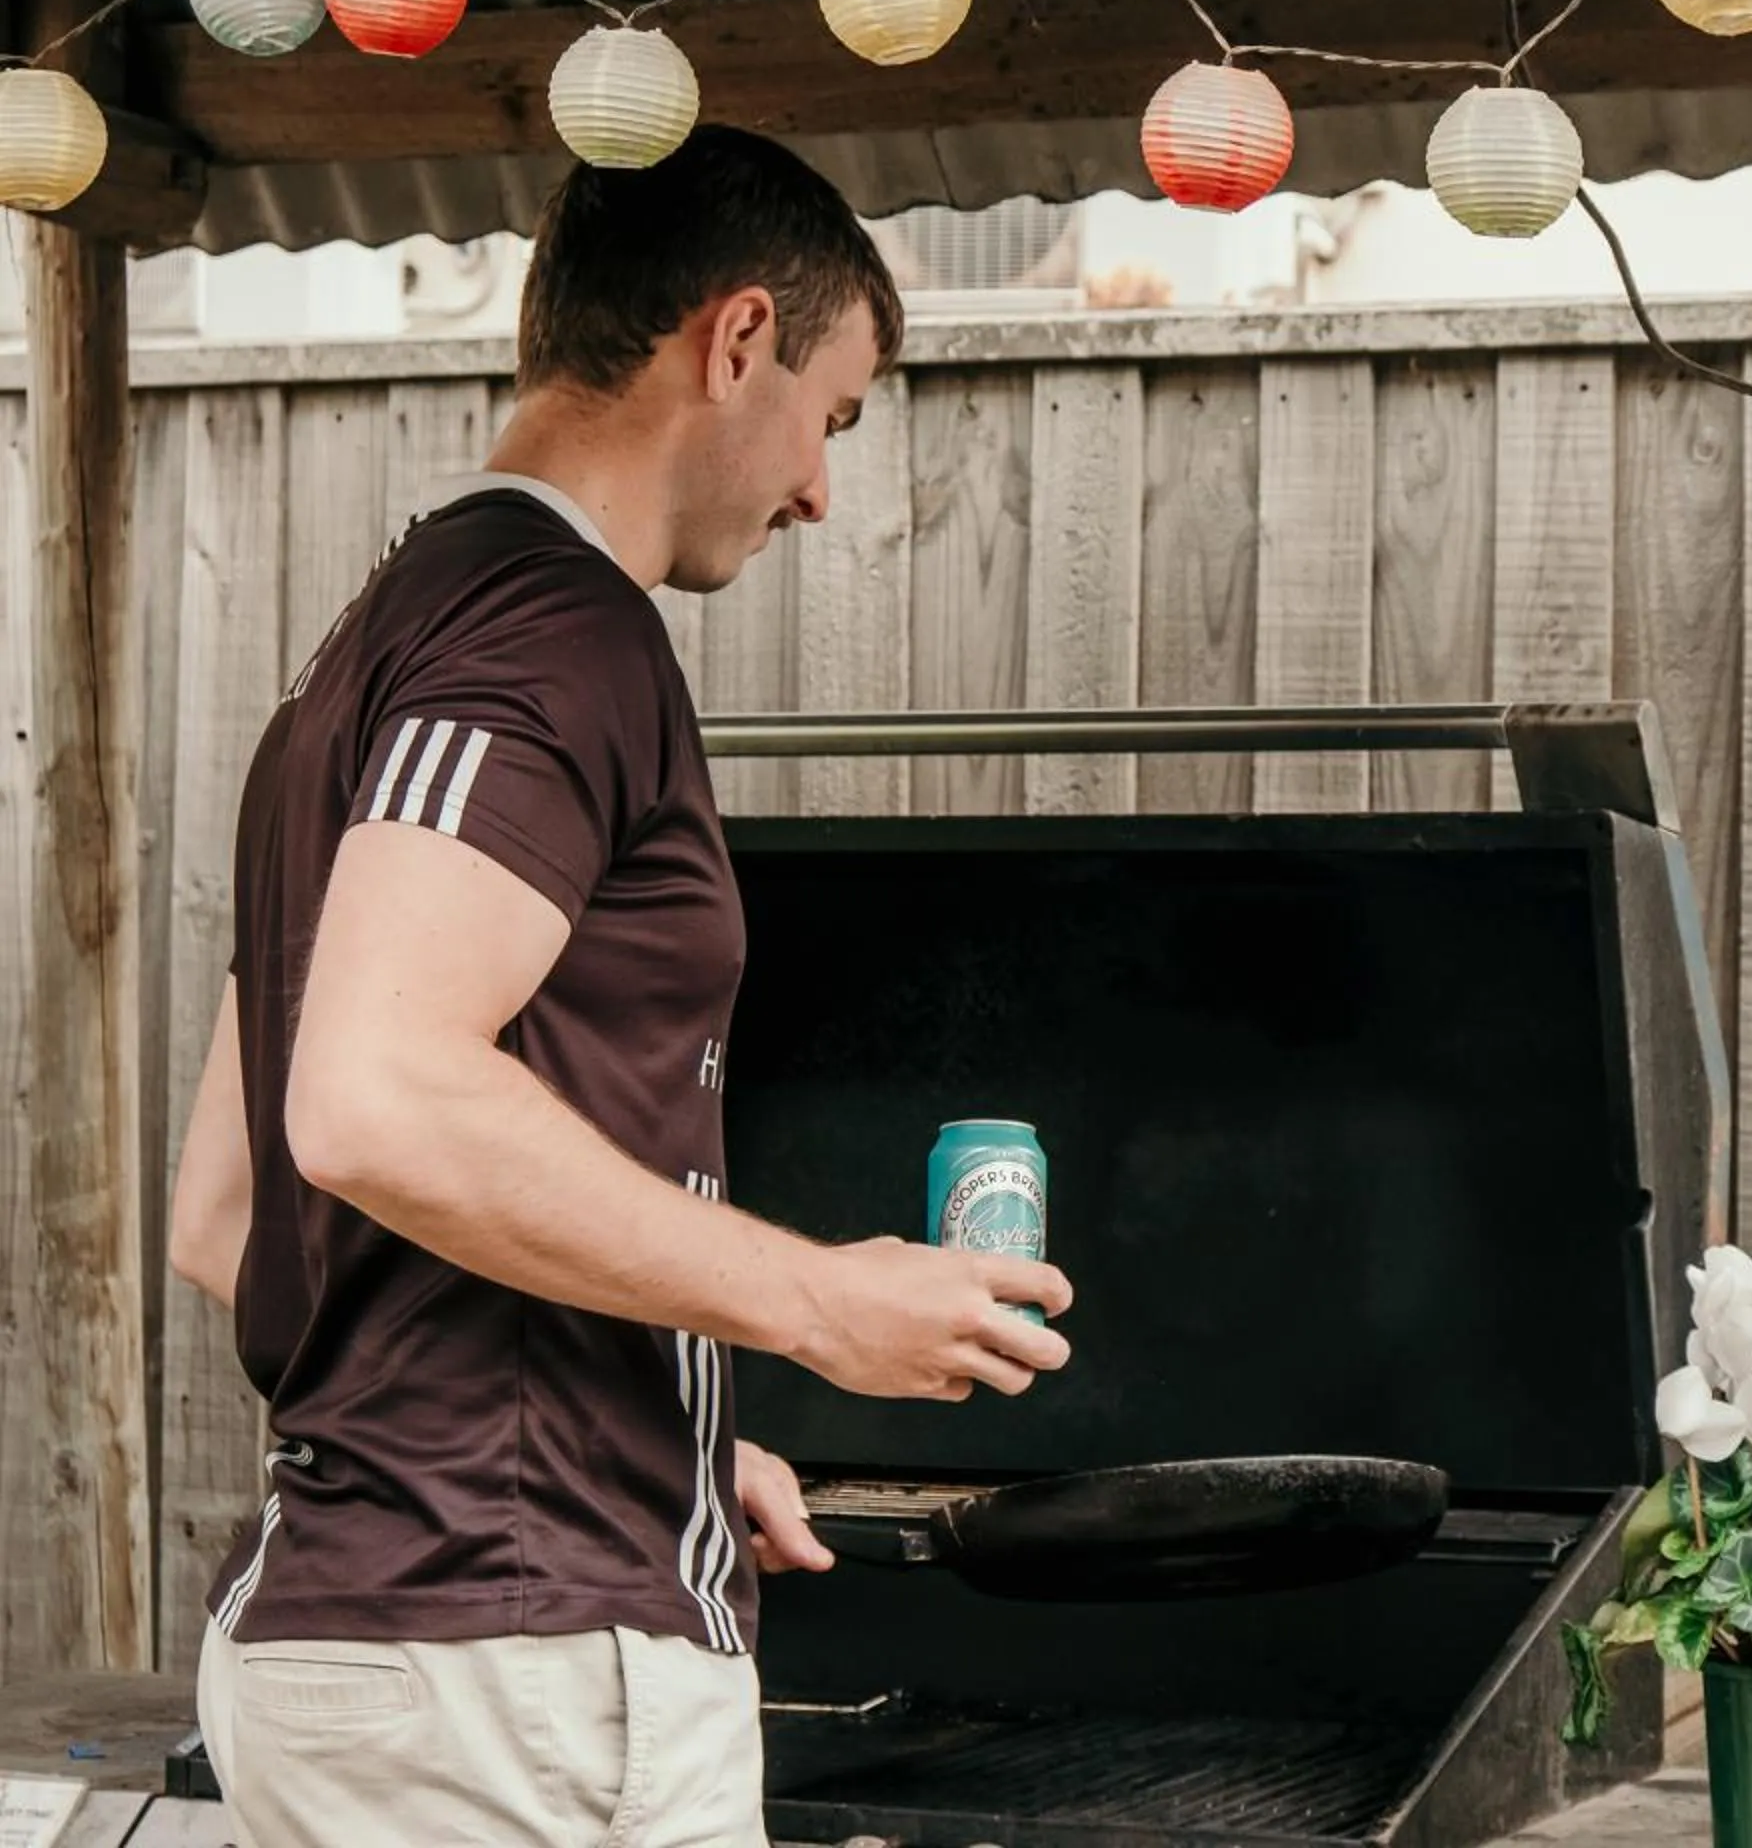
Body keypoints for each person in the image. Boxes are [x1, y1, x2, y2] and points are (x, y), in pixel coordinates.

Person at [161, 124, 1071, 1847]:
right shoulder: (552, 633)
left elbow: (233, 1212)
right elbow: (373, 1100)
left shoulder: (361, 664)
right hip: (508, 1675)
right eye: (834, 416)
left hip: (385, 1642)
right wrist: (814, 1307)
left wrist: (644, 1423)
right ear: (734, 342)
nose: (819, 488)